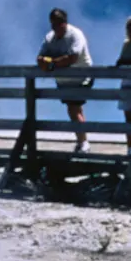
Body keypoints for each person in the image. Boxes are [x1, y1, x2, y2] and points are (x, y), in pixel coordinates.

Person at [37, 8, 94, 153]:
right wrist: (48, 62)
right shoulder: (50, 38)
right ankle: (82, 139)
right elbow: (40, 57)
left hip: (81, 77)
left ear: (64, 23)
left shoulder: (76, 35)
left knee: (73, 109)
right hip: (63, 80)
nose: (55, 27)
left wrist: (51, 63)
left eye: (58, 24)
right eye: (53, 24)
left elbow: (72, 57)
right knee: (75, 109)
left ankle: (83, 142)